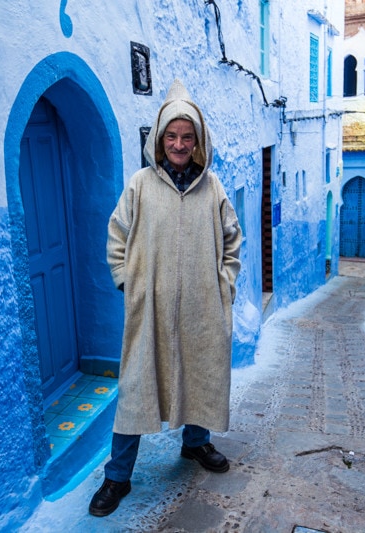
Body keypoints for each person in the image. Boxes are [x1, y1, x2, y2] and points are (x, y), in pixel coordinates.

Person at [89, 79, 242, 517]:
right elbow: (116, 236)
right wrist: (127, 281)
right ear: (160, 140)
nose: (178, 144)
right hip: (149, 310)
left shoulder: (212, 188)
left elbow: (232, 241)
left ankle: (195, 444)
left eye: (186, 137)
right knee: (136, 388)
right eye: (171, 136)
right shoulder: (140, 185)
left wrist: (223, 285)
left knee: (199, 374)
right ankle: (117, 477)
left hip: (201, 309)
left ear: (198, 142)